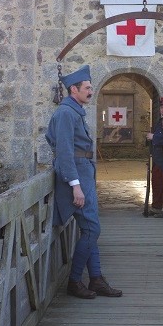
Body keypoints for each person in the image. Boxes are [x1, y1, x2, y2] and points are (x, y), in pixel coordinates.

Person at [45, 65, 122, 300]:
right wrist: (75, 185)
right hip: (77, 177)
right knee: (92, 229)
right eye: (87, 88)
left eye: (90, 87)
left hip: (83, 174)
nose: (91, 91)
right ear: (73, 89)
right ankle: (75, 281)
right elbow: (65, 152)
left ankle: (96, 278)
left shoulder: (74, 110)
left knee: (90, 228)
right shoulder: (66, 113)